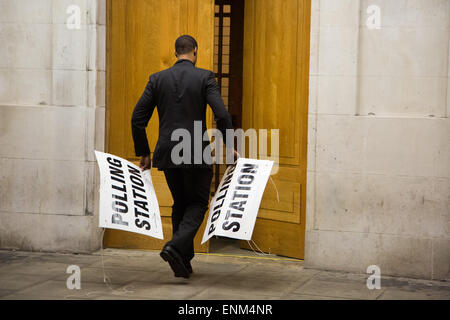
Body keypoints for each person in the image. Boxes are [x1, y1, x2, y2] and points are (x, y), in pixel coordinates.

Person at [131, 35, 235, 278]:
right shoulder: (205, 77)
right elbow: (222, 115)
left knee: (180, 203)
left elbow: (137, 119)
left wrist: (144, 152)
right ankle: (175, 247)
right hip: (194, 150)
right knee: (198, 203)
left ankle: (182, 261)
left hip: (167, 151)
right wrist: (229, 147)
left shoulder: (157, 79)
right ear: (195, 51)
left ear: (176, 52)